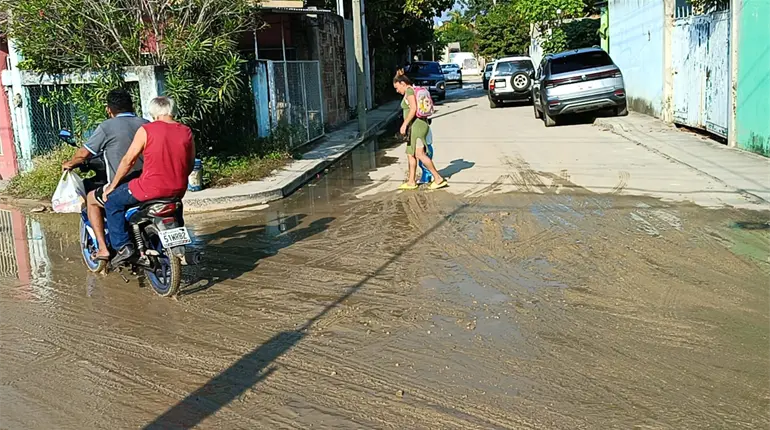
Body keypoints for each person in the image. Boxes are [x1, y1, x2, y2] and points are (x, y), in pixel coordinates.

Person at [102, 96, 195, 266]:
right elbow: (189, 163)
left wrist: (112, 186)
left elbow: (128, 160)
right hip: (178, 189)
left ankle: (122, 246)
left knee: (112, 201)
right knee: (175, 207)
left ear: (153, 112)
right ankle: (178, 244)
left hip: (149, 188)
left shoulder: (147, 130)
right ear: (172, 110)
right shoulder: (186, 131)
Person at [62, 89, 147, 261]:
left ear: (109, 109)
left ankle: (103, 249)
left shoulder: (107, 127)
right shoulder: (146, 123)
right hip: (148, 183)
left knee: (92, 199)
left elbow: (84, 154)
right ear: (132, 106)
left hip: (124, 185)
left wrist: (70, 163)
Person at [393, 74, 447, 191]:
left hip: (417, 127)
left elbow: (413, 109)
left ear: (403, 84)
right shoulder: (412, 90)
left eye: (397, 88)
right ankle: (411, 182)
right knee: (410, 154)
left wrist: (404, 124)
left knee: (419, 154)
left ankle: (438, 179)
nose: (397, 91)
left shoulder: (409, 91)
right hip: (415, 126)